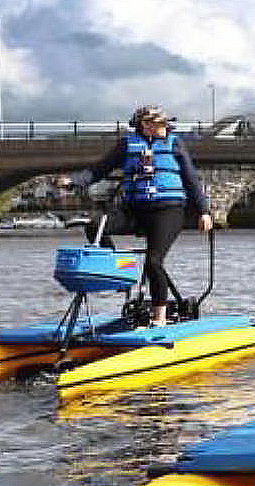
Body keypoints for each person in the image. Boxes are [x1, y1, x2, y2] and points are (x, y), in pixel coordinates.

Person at [78, 105, 213, 326]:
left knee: (153, 261)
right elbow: (98, 170)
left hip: (168, 211)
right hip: (135, 210)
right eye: (161, 123)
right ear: (146, 125)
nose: (166, 126)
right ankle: (117, 272)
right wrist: (73, 181)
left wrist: (203, 211)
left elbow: (191, 179)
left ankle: (160, 318)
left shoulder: (175, 143)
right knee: (94, 225)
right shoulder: (127, 144)